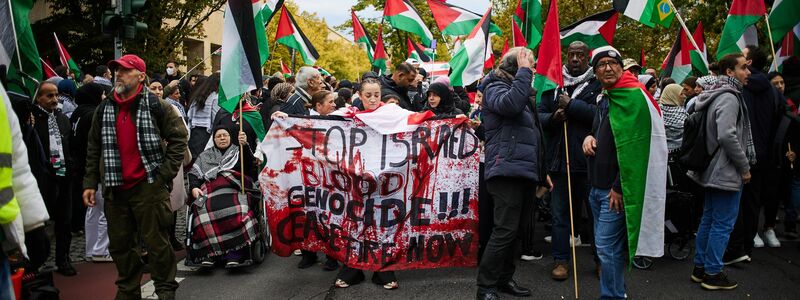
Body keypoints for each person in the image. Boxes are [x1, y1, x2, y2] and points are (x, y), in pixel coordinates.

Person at [82, 54, 188, 300]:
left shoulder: (157, 105)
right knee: (121, 246)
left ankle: (165, 291)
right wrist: (89, 182)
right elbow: (93, 147)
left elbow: (179, 138)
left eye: (125, 70)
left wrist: (164, 175)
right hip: (115, 189)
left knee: (157, 245)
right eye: (116, 70)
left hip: (149, 187)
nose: (119, 74)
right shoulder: (104, 107)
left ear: (141, 76)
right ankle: (128, 291)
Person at [582, 45, 668, 299]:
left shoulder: (633, 97)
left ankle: (613, 296)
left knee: (607, 248)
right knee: (608, 248)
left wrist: (620, 186)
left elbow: (637, 148)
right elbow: (603, 131)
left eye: (612, 63)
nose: (607, 68)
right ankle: (616, 292)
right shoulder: (606, 97)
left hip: (614, 191)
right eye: (601, 64)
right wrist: (589, 137)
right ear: (595, 72)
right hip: (596, 187)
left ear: (621, 67)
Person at [476, 47, 548, 300]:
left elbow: (535, 135)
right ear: (515, 66)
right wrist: (525, 72)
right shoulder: (494, 86)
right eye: (529, 64)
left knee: (516, 230)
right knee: (504, 230)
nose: (534, 68)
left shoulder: (521, 90)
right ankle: (485, 287)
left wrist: (542, 171)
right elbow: (510, 106)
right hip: (505, 169)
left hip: (524, 171)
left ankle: (504, 279)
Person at [688, 53, 754, 290]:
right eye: (743, 68)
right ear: (729, 72)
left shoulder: (716, 94)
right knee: (723, 223)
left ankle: (700, 268)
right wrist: (744, 167)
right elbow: (727, 135)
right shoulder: (729, 97)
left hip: (713, 168)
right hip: (725, 169)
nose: (748, 72)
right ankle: (713, 273)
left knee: (710, 219)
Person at [538, 41, 602, 280]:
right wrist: (553, 118)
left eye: (580, 55)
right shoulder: (553, 84)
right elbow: (539, 114)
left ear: (587, 58)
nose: (575, 59)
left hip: (589, 162)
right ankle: (561, 261)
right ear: (566, 56)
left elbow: (600, 115)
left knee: (596, 214)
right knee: (559, 214)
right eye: (572, 54)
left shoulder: (597, 84)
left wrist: (572, 105)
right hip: (559, 160)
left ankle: (600, 260)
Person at [726, 46, 785, 262]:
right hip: (765, 156)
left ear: (748, 63)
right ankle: (747, 247)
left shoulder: (742, 89)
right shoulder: (773, 91)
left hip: (743, 154)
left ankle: (736, 247)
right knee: (752, 203)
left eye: (743, 54)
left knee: (736, 201)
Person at [187, 126, 258, 268]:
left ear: (230, 137)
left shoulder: (239, 152)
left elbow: (251, 168)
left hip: (234, 189)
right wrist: (194, 187)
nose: (222, 138)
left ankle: (234, 254)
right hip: (209, 191)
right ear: (213, 139)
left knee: (239, 210)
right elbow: (194, 174)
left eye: (225, 135)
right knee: (201, 212)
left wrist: (244, 146)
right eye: (218, 136)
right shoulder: (205, 156)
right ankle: (210, 254)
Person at [31, 81, 76, 276]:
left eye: (56, 95)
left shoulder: (63, 119)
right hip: (43, 179)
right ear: (39, 98)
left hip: (64, 177)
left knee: (64, 222)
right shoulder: (32, 121)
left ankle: (63, 259)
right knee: (39, 224)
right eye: (49, 96)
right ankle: (36, 262)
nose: (54, 100)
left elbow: (70, 145)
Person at [70, 83, 112, 262]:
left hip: (82, 169)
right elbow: (97, 145)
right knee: (105, 211)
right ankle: (101, 250)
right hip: (97, 170)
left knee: (93, 211)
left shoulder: (77, 113)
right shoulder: (94, 114)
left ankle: (91, 249)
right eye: (102, 94)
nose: (103, 97)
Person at [186, 73, 220, 158]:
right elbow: (217, 118)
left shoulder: (198, 97)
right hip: (206, 135)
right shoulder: (215, 98)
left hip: (194, 134)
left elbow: (189, 116)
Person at [659, 84, 689, 153]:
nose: (684, 96)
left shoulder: (657, 111)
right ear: (673, 95)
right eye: (681, 94)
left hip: (659, 150)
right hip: (679, 152)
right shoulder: (682, 113)